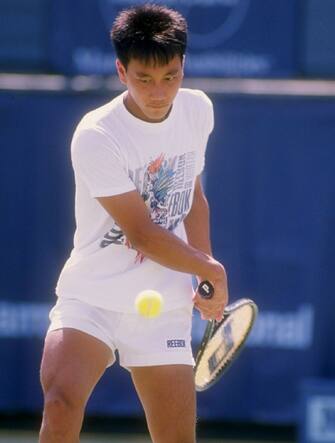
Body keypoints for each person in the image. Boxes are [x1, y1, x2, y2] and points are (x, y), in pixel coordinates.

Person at [39, 3, 228, 443]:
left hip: (163, 305)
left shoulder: (197, 110)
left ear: (184, 67)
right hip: (92, 296)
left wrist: (204, 271)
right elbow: (140, 232)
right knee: (60, 401)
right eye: (144, 78)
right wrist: (209, 269)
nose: (159, 91)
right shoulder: (96, 135)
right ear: (121, 72)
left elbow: (194, 198)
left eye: (171, 76)